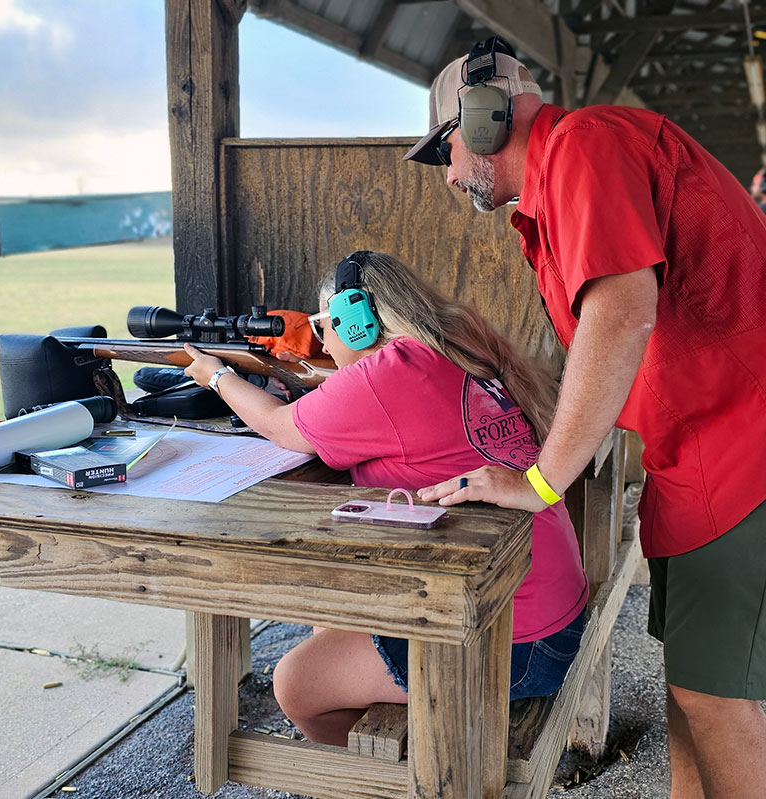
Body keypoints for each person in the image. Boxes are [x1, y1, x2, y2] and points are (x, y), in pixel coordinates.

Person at [405, 35, 766, 799]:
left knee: (715, 697)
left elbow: (622, 314)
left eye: (444, 153)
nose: (447, 178)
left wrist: (540, 480)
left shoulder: (581, 146)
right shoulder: (564, 179)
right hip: (697, 453)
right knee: (692, 684)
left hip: (740, 445)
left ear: (482, 120)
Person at [183, 250, 588, 745]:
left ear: (358, 320)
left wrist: (215, 376)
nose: (323, 341)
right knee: (330, 613)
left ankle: (386, 773)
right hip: (551, 611)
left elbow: (278, 426)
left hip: (510, 641)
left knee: (294, 684)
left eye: (324, 323)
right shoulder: (460, 340)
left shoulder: (390, 372)